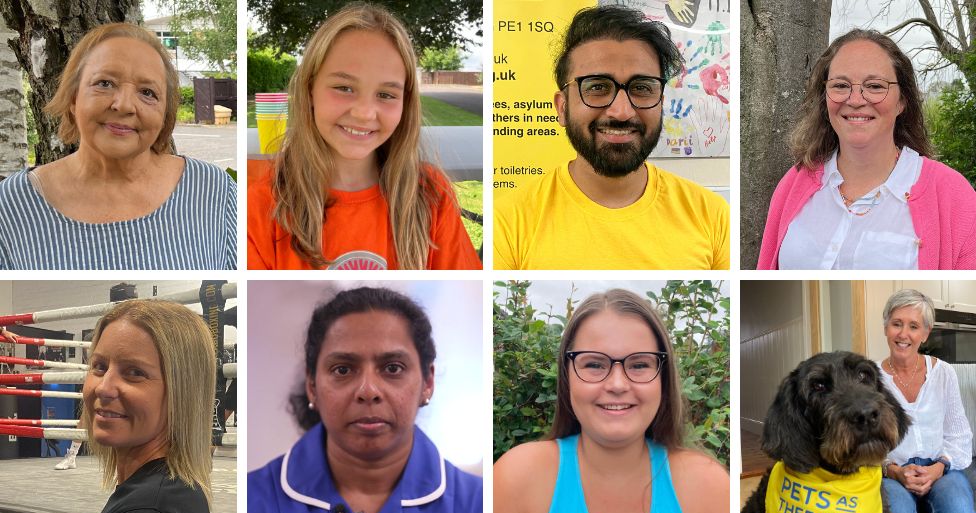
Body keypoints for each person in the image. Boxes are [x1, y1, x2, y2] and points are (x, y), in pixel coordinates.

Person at [493, 5, 730, 270]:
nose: (621, 111)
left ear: (661, 103)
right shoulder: (506, 223)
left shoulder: (713, 216)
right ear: (562, 107)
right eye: (597, 87)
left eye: (642, 88)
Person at [247, 3, 481, 270]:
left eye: (386, 95)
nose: (364, 113)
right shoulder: (263, 204)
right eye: (344, 87)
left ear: (405, 103)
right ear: (310, 89)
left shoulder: (430, 196)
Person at [248, 287, 482, 513]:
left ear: (427, 382)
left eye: (392, 368)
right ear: (312, 385)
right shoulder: (253, 503)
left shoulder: (478, 508)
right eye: (343, 369)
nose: (368, 391)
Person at [493, 289, 729, 513]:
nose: (617, 384)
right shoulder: (514, 479)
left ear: (663, 377)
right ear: (566, 375)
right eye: (594, 365)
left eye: (639, 365)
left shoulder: (711, 489)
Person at [0, 23, 236, 270]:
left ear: (165, 113)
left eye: (147, 92)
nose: (124, 105)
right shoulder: (11, 206)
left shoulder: (214, 192)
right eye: (104, 83)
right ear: (73, 98)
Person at [758, 29, 976, 270]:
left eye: (874, 86)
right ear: (825, 97)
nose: (855, 99)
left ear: (902, 100)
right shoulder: (795, 183)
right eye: (841, 85)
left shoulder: (954, 196)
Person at [73, 300, 217, 513]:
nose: (103, 388)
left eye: (134, 372)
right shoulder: (164, 495)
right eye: (99, 366)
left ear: (182, 392)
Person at [876, 289, 975, 513]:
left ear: (925, 333)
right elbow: (864, 444)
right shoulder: (869, 378)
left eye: (913, 326)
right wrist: (894, 471)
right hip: (892, 473)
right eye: (897, 324)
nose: (904, 334)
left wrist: (939, 466)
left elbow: (959, 435)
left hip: (941, 468)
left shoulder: (944, 373)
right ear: (886, 327)